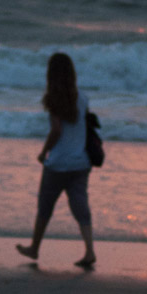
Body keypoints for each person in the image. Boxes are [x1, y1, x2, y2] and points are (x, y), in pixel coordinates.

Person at [16, 51, 97, 270]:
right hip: (81, 162)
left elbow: (56, 131)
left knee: (45, 206)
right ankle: (89, 250)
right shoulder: (83, 98)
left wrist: (44, 153)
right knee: (80, 205)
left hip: (58, 163)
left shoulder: (53, 99)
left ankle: (34, 247)